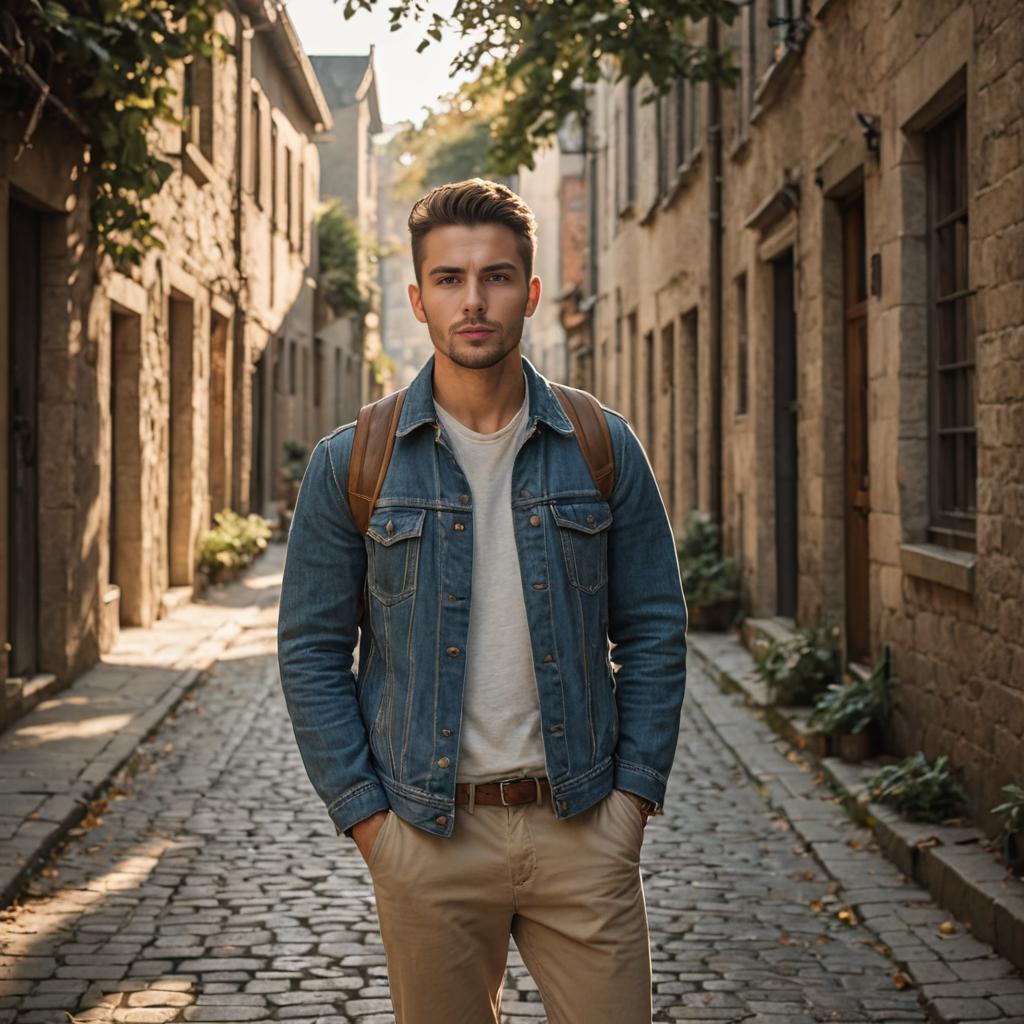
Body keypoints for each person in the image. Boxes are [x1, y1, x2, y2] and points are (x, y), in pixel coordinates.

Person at [277, 177, 687, 1023]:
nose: (475, 300)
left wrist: (631, 805)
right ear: (419, 295)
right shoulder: (351, 464)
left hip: (581, 827)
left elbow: (654, 628)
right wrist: (370, 827)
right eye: (451, 279)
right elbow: (311, 650)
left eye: (496, 277)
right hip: (427, 836)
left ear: (530, 292)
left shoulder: (602, 446)